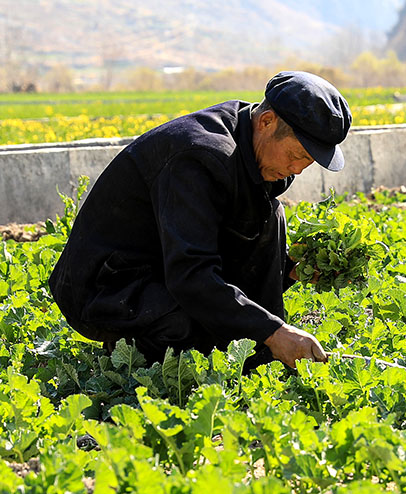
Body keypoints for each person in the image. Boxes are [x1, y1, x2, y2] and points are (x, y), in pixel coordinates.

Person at [48, 70, 351, 370]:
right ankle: (130, 350)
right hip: (109, 283)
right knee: (189, 332)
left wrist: (291, 271)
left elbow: (236, 244)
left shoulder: (255, 147)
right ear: (267, 122)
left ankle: (261, 354)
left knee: (271, 215)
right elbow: (191, 275)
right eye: (297, 155)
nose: (298, 169)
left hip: (164, 263)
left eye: (307, 163)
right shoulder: (199, 158)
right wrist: (272, 332)